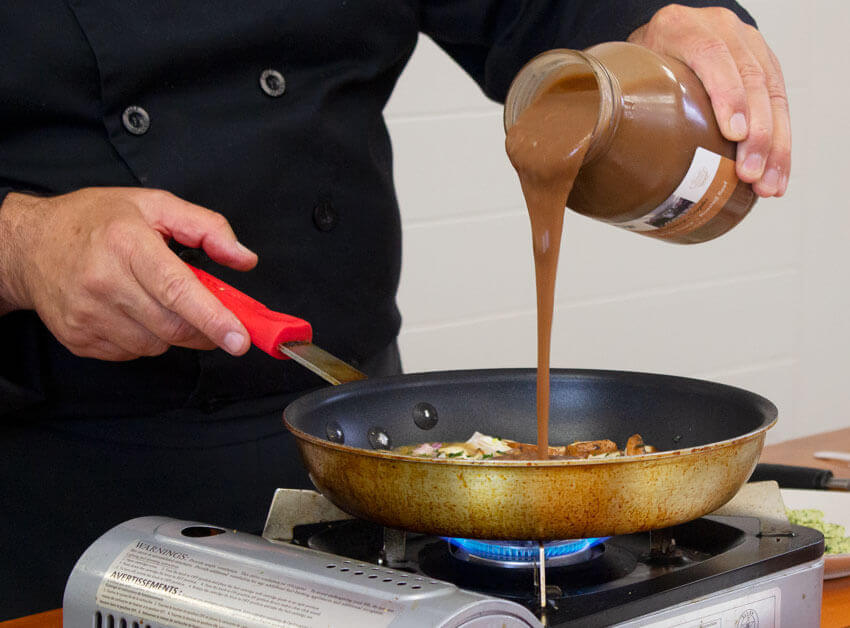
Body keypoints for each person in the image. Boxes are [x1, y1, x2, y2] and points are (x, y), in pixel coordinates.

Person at [0, 0, 788, 619]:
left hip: (352, 445)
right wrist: (21, 244)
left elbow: (549, 4)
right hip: (50, 493)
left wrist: (666, 18)